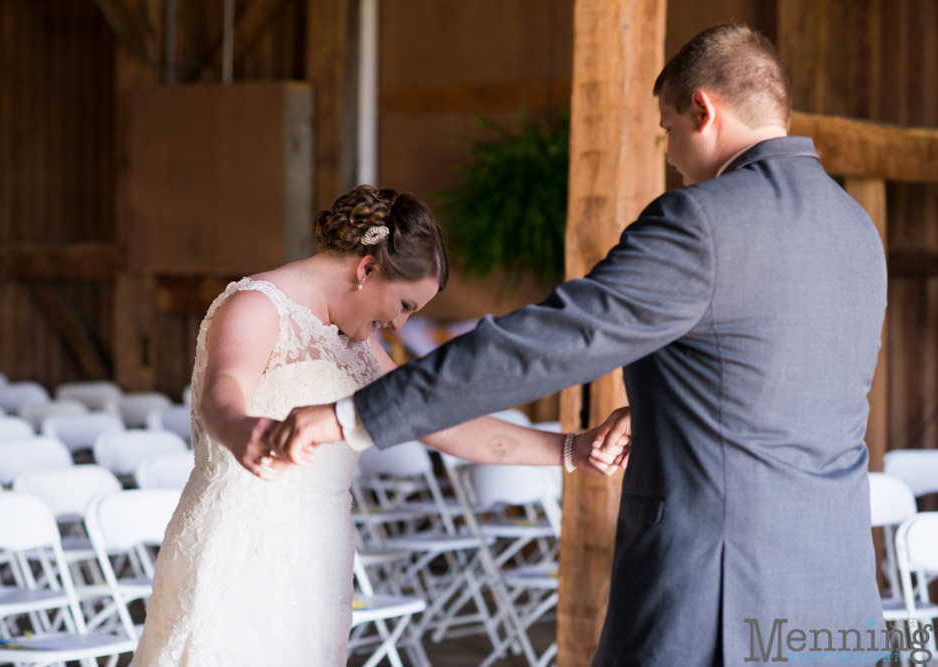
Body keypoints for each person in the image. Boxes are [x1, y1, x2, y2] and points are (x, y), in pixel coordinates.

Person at [270, 26, 887, 666]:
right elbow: (780, 385)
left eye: (668, 129)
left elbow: (551, 342)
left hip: (717, 593)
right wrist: (662, 413)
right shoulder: (855, 229)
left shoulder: (701, 221)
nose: (670, 155)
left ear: (704, 111)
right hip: (836, 594)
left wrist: (356, 414)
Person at [131, 185, 615, 667]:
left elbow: (448, 424)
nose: (402, 326)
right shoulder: (258, 306)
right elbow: (222, 390)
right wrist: (240, 430)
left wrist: (573, 448)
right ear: (366, 270)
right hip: (237, 551)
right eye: (404, 306)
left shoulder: (358, 347)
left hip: (320, 558)